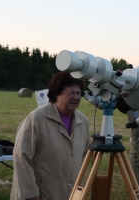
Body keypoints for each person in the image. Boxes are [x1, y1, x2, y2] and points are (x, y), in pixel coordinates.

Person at [10, 72, 90, 200]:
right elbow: (22, 158)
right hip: (41, 194)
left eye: (78, 93)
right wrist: (32, 194)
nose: (76, 97)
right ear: (56, 94)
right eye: (71, 93)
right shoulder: (36, 119)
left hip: (71, 193)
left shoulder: (83, 121)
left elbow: (84, 158)